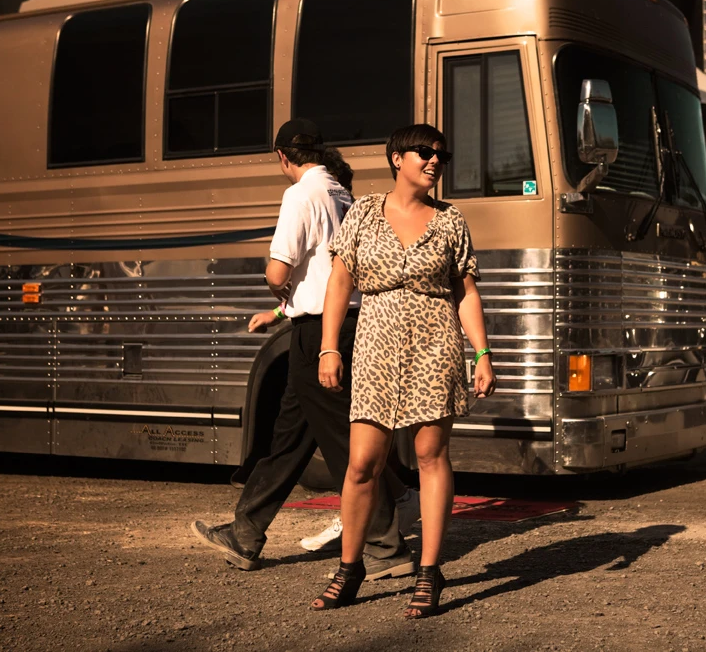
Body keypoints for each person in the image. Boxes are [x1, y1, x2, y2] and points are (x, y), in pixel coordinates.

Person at [190, 118, 418, 578]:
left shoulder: (301, 194)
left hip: (319, 334)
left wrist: (275, 287)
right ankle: (246, 532)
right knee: (290, 436)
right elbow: (327, 273)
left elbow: (280, 271)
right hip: (349, 324)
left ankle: (386, 546)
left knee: (342, 440)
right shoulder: (343, 194)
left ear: (283, 157)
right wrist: (280, 312)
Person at [311, 124, 496, 618]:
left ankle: (430, 572)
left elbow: (465, 293)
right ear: (396, 157)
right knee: (361, 464)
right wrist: (329, 348)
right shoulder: (363, 212)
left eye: (441, 156)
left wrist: (482, 352)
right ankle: (350, 568)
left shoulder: (450, 220)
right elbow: (339, 283)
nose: (435, 161)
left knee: (430, 456)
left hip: (435, 345)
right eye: (424, 152)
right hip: (375, 346)